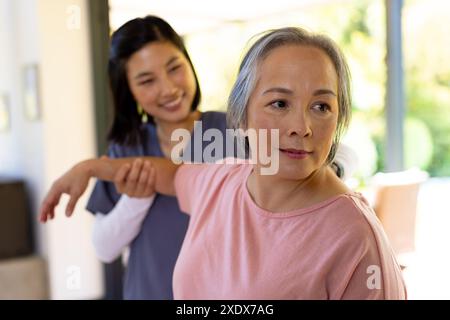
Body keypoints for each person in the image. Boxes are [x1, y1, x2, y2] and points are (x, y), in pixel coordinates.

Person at [40, 27, 404, 299]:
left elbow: (334, 158)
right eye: (279, 103)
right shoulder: (220, 177)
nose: (301, 127)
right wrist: (89, 167)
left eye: (321, 106)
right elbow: (167, 175)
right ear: (241, 117)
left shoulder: (355, 236)